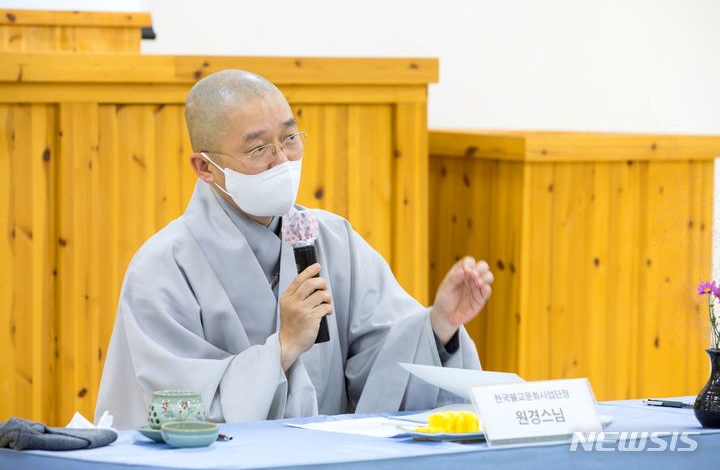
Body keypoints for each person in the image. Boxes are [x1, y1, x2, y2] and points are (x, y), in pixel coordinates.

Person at [95, 70, 494, 430]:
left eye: (289, 139)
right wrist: (283, 347)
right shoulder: (162, 268)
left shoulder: (334, 239)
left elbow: (385, 366)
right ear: (205, 167)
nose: (282, 160)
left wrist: (439, 326)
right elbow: (175, 408)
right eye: (258, 150)